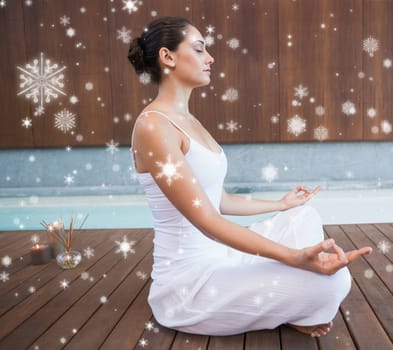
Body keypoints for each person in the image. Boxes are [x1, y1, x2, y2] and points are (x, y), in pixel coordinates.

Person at [127, 16, 372, 337]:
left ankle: (292, 303)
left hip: (223, 256)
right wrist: (294, 258)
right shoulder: (153, 127)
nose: (210, 58)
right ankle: (296, 304)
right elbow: (208, 222)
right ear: (168, 57)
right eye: (199, 50)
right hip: (191, 285)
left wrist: (280, 205)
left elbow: (220, 200)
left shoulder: (188, 120)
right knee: (334, 282)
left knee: (302, 215)